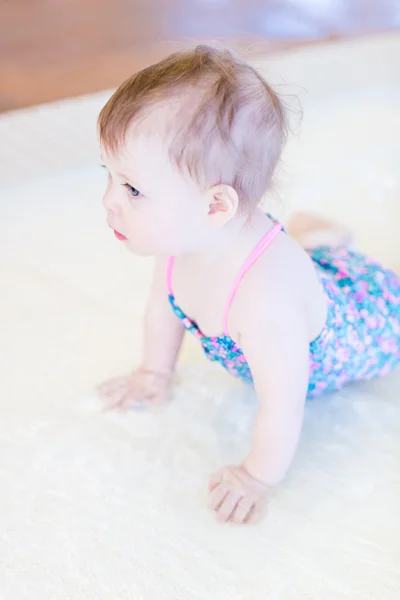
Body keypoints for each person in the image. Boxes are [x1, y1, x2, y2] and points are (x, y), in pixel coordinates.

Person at [96, 46, 400, 525]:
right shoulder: (184, 237)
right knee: (315, 258)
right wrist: (154, 373)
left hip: (374, 318)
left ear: (216, 206)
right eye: (109, 176)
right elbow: (163, 308)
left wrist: (257, 476)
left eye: (132, 189)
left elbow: (283, 405)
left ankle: (325, 243)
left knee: (329, 273)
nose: (109, 200)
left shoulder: (264, 306)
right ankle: (319, 241)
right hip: (292, 276)